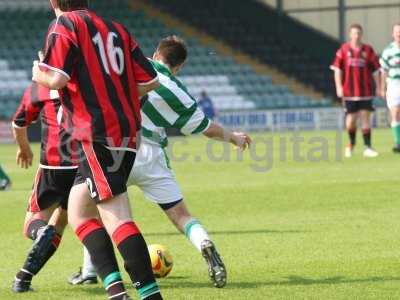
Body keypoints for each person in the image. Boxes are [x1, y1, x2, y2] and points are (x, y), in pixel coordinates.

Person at [69, 36, 251, 288]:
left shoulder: (132, 64)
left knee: (93, 210)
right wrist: (233, 138)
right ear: (178, 67)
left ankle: (91, 271)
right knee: (181, 216)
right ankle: (204, 243)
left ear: (155, 54)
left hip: (117, 149)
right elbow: (206, 128)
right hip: (152, 156)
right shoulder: (178, 90)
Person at [32, 1, 162, 299]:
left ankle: (150, 295)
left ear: (54, 2)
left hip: (95, 133)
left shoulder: (65, 25)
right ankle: (117, 291)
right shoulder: (117, 29)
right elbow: (151, 81)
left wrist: (38, 72)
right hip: (127, 131)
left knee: (116, 215)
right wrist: (117, 95)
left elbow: (56, 78)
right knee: (79, 213)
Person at [11, 83, 77, 293]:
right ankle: (23, 279)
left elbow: (18, 123)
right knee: (59, 223)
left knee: (34, 225)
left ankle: (40, 232)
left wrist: (24, 150)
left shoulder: (40, 86)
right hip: (83, 163)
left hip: (54, 164)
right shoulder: (83, 80)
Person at [331, 23, 381, 158]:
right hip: (349, 92)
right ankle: (351, 144)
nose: (356, 35)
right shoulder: (343, 50)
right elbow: (337, 70)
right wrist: (338, 87)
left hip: (365, 91)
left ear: (361, 34)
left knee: (365, 118)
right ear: (350, 34)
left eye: (358, 33)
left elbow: (376, 71)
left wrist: (378, 87)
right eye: (354, 33)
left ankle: (368, 147)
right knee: (351, 121)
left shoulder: (368, 50)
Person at [380, 23, 400, 153]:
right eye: (397, 32)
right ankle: (398, 143)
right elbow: (384, 71)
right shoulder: (388, 51)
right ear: (393, 34)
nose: (399, 34)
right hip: (393, 84)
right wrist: (382, 88)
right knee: (395, 113)